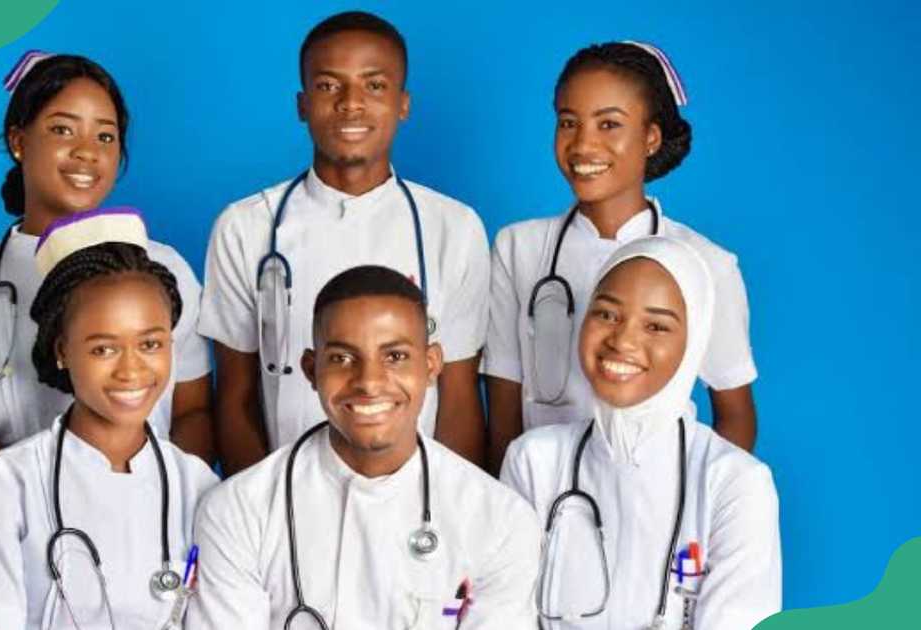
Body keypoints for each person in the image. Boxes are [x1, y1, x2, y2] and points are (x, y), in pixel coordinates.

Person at [0, 51, 213, 489]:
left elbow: (193, 411)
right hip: (14, 526)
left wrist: (153, 492)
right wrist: (45, 488)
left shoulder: (163, 268)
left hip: (149, 524)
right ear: (18, 140)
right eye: (62, 129)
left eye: (106, 136)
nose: (87, 152)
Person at [198, 11, 490, 474]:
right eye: (329, 86)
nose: (351, 104)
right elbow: (235, 398)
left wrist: (450, 511)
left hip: (416, 499)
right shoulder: (246, 227)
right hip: (286, 497)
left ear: (403, 103)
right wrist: (266, 510)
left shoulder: (454, 227)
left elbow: (457, 396)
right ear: (301, 104)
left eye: (374, 85)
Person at [189, 265, 541, 629]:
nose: (369, 382)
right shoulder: (238, 511)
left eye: (395, 356)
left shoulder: (500, 519)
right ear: (311, 370)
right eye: (342, 358)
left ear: (432, 364)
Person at [0, 208, 218, 630]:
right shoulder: (5, 484)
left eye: (151, 343)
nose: (131, 371)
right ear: (62, 351)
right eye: (104, 348)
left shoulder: (200, 488)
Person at [484, 41, 758, 472]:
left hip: (658, 495)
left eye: (609, 124)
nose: (582, 144)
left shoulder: (706, 263)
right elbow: (502, 408)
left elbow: (736, 414)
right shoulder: (519, 248)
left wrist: (698, 508)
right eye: (568, 122)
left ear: (651, 138)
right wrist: (511, 515)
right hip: (543, 496)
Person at [501, 236, 780, 629]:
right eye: (607, 314)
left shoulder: (735, 484)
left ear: (694, 340)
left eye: (656, 326)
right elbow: (503, 614)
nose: (623, 340)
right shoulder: (533, 462)